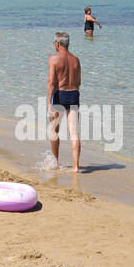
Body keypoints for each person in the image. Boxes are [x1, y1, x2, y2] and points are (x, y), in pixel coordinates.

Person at [47, 31, 82, 172]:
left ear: (57, 44)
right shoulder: (76, 60)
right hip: (73, 94)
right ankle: (76, 166)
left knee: (54, 130)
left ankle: (56, 162)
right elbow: (79, 82)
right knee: (74, 132)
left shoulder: (53, 59)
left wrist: (49, 102)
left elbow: (50, 82)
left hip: (59, 94)